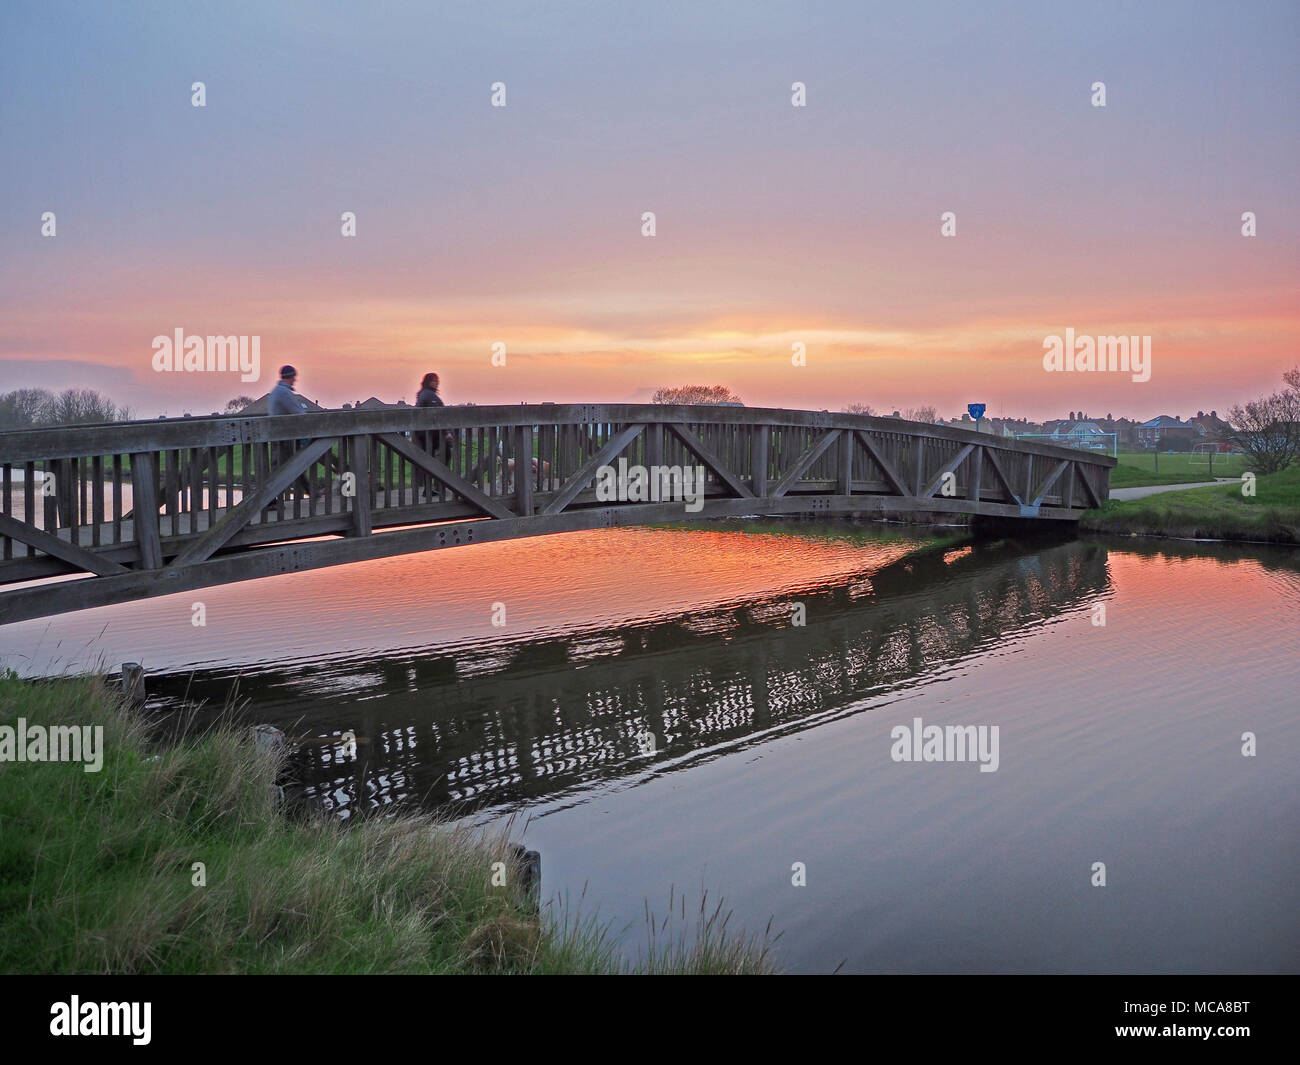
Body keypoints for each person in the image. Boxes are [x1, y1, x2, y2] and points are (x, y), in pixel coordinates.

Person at [266, 364, 314, 502]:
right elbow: (298, 413)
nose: (295, 380)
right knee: (290, 468)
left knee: (286, 468)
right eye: (294, 377)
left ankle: (311, 492)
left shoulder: (275, 391)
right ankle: (268, 501)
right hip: (286, 437)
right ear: (290, 377)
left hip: (278, 435)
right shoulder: (284, 392)